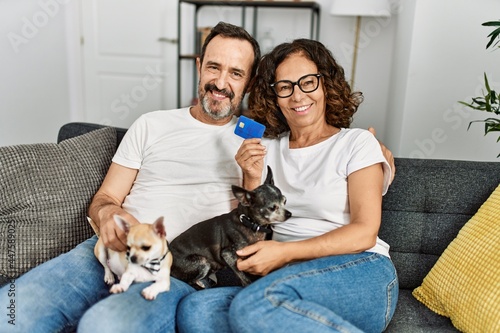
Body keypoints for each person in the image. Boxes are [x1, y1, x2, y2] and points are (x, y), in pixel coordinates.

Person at [0, 22, 393, 332]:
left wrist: (379, 158)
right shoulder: (151, 124)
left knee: (107, 325)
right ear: (199, 67)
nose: (222, 83)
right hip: (110, 251)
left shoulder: (257, 137)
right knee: (14, 311)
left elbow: (305, 172)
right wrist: (106, 217)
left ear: (251, 84)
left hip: (177, 266)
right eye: (214, 67)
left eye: (236, 73)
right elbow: (106, 198)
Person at [176, 39, 398, 333]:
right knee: (196, 311)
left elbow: (364, 232)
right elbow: (251, 222)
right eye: (285, 87)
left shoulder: (356, 143)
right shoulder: (265, 149)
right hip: (287, 281)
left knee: (252, 305)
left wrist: (284, 252)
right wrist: (251, 177)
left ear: (326, 84)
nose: (297, 96)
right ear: (274, 96)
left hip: (360, 269)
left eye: (308, 82)